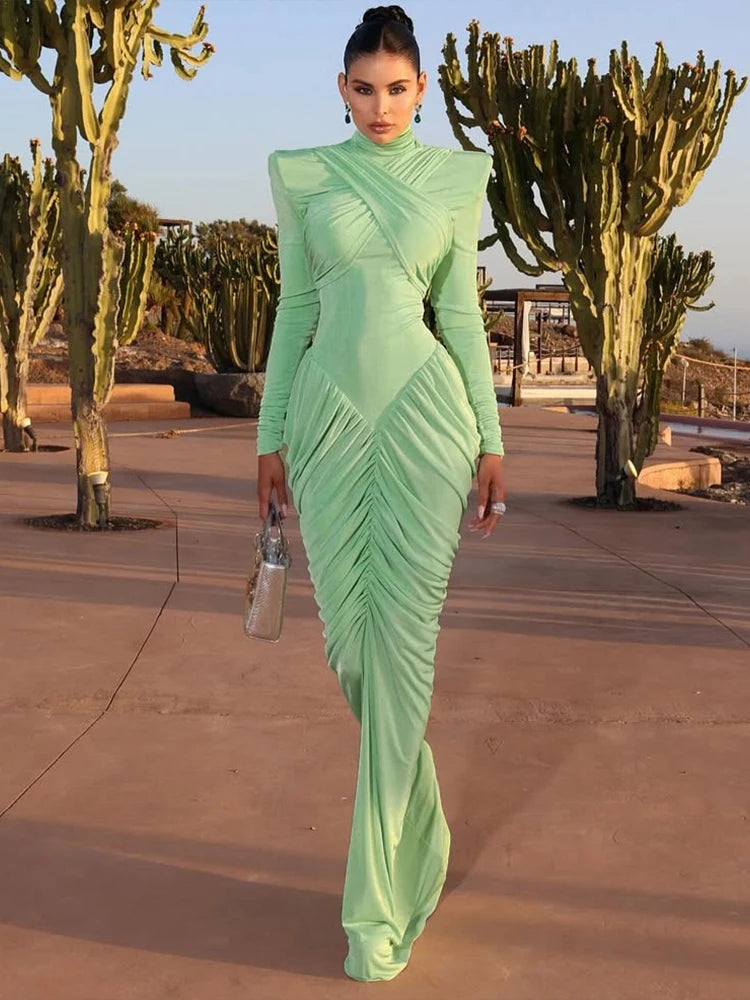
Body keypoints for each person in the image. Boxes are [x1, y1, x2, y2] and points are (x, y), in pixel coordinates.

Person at [256, 4, 506, 982]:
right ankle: (423, 833)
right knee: (350, 654)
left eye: (398, 88)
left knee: (402, 652)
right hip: (323, 422)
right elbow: (298, 307)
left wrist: (489, 438)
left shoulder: (453, 178)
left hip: (427, 423)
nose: (381, 105)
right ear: (341, 88)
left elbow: (460, 313)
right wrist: (272, 432)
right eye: (365, 88)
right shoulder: (303, 174)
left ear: (421, 90)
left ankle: (376, 912)